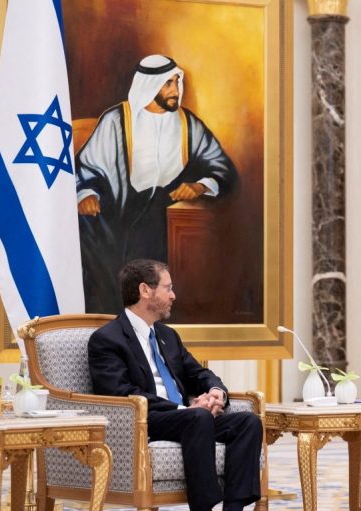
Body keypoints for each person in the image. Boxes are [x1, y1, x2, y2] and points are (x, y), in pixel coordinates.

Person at [88, 259, 261, 511]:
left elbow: (198, 373)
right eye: (167, 288)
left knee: (248, 422)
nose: (173, 295)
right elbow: (122, 393)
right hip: (146, 421)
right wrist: (184, 410)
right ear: (145, 290)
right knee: (199, 418)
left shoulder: (167, 335)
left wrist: (215, 393)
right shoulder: (107, 339)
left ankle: (233, 509)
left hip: (189, 420)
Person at [76, 54, 239, 313]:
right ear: (149, 86)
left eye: (176, 82)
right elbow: (86, 167)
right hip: (114, 210)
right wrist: (86, 193)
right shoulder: (117, 120)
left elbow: (222, 167)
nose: (175, 90)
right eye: (168, 84)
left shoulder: (188, 124)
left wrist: (199, 186)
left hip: (161, 212)